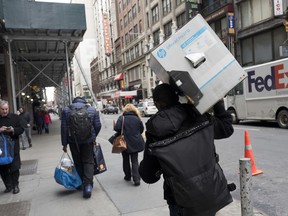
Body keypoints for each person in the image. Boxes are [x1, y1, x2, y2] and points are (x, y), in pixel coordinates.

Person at [139, 83, 234, 216]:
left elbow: (148, 176)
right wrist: (218, 102)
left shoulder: (155, 133)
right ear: (177, 98)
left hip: (181, 202)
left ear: (157, 104)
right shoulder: (198, 115)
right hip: (211, 191)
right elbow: (226, 128)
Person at [61, 96, 101, 198]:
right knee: (88, 161)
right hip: (88, 141)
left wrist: (64, 144)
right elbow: (98, 125)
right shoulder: (92, 109)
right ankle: (88, 186)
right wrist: (93, 136)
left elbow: (64, 128)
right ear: (84, 102)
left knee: (77, 161)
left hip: (73, 141)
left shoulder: (66, 110)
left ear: (73, 102)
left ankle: (80, 183)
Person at [114, 103, 145, 186]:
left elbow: (117, 128)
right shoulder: (137, 118)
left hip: (124, 142)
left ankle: (128, 176)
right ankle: (136, 179)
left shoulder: (122, 118)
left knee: (125, 159)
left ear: (125, 110)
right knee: (135, 160)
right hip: (135, 142)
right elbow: (141, 130)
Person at [0, 100, 24, 194]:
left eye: (6, 109)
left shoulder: (15, 117)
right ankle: (8, 186)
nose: (5, 111)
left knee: (14, 167)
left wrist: (13, 130)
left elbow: (21, 129)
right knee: (2, 168)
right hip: (1, 149)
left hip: (13, 147)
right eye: (2, 109)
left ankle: (15, 186)